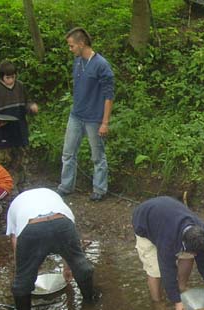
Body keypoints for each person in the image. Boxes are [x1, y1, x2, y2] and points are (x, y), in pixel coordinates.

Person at [6, 188, 95, 310]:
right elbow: (71, 245)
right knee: (81, 265)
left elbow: (15, 239)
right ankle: (90, 304)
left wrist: (23, 267)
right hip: (62, 223)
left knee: (22, 280)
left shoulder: (15, 205)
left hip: (32, 227)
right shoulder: (54, 197)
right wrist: (67, 267)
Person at [132, 196, 204, 310]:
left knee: (188, 257)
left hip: (168, 213)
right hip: (145, 222)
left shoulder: (201, 232)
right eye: (194, 252)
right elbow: (167, 271)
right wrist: (176, 301)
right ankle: (157, 302)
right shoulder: (168, 242)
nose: (196, 255)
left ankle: (182, 286)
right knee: (155, 271)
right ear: (183, 243)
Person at [57, 27, 115, 202]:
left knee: (97, 156)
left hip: (94, 119)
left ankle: (99, 189)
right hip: (76, 115)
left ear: (82, 44)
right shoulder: (78, 61)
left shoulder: (101, 65)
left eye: (72, 45)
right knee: (68, 153)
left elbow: (109, 95)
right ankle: (66, 187)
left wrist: (105, 122)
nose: (70, 49)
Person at [0, 60, 38, 191]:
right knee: (6, 160)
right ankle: (3, 187)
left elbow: (27, 103)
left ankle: (23, 186)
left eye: (13, 77)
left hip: (20, 129)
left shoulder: (20, 86)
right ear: (2, 77)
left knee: (22, 159)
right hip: (4, 132)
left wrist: (31, 108)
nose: (11, 80)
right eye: (8, 77)